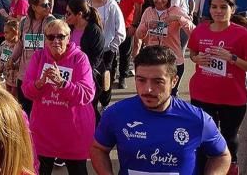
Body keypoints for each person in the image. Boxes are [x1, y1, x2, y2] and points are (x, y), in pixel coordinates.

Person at [90, 45, 231, 174]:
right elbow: (99, 149)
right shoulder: (116, 114)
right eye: (141, 80)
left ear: (174, 81)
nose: (148, 89)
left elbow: (222, 155)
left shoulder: (198, 119)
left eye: (158, 82)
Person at [189, 0, 247, 174]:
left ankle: (231, 167)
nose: (218, 11)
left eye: (224, 7)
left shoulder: (243, 35)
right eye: (214, 7)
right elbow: (192, 52)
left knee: (228, 137)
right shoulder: (200, 30)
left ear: (232, 9)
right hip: (202, 94)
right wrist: (195, 59)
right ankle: (203, 168)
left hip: (232, 97)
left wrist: (233, 58)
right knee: (204, 136)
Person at [22, 20, 95, 174]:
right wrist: (40, 83)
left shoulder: (80, 58)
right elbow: (26, 91)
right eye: (51, 37)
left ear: (69, 38)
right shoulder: (38, 57)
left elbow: (87, 93)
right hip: (44, 131)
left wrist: (62, 83)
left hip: (73, 132)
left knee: (78, 171)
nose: (56, 41)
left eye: (61, 36)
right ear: (45, 39)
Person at [133, 0, 195, 96]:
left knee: (170, 93)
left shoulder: (176, 10)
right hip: (152, 59)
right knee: (153, 93)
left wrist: (178, 19)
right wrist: (146, 25)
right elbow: (139, 35)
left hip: (173, 59)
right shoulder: (148, 11)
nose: (159, 1)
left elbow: (193, 31)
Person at [9, 0, 56, 116]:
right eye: (44, 5)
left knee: (42, 112)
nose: (48, 7)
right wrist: (12, 59)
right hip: (24, 75)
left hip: (42, 75)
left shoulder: (51, 22)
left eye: (49, 4)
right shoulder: (25, 21)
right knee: (25, 110)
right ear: (34, 7)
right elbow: (20, 43)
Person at [65, 0, 105, 122]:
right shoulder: (68, 29)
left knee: (89, 109)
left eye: (69, 13)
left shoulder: (94, 31)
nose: (66, 16)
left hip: (89, 77)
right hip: (70, 76)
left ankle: (99, 136)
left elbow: (95, 59)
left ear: (79, 14)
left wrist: (81, 72)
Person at [87, 0, 125, 99]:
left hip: (106, 50)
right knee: (88, 78)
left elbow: (120, 30)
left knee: (104, 80)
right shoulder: (85, 3)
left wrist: (112, 47)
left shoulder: (111, 5)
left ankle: (104, 103)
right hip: (88, 50)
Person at [108, 0, 144, 89]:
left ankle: (122, 76)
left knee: (125, 53)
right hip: (111, 25)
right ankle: (111, 76)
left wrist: (134, 25)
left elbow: (138, 6)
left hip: (127, 25)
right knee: (111, 51)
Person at [0, 20, 20, 96]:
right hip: (6, 78)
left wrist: (14, 65)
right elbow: (0, 59)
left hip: (16, 80)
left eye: (7, 32)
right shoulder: (3, 44)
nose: (4, 35)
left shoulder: (20, 47)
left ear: (15, 32)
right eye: (4, 32)